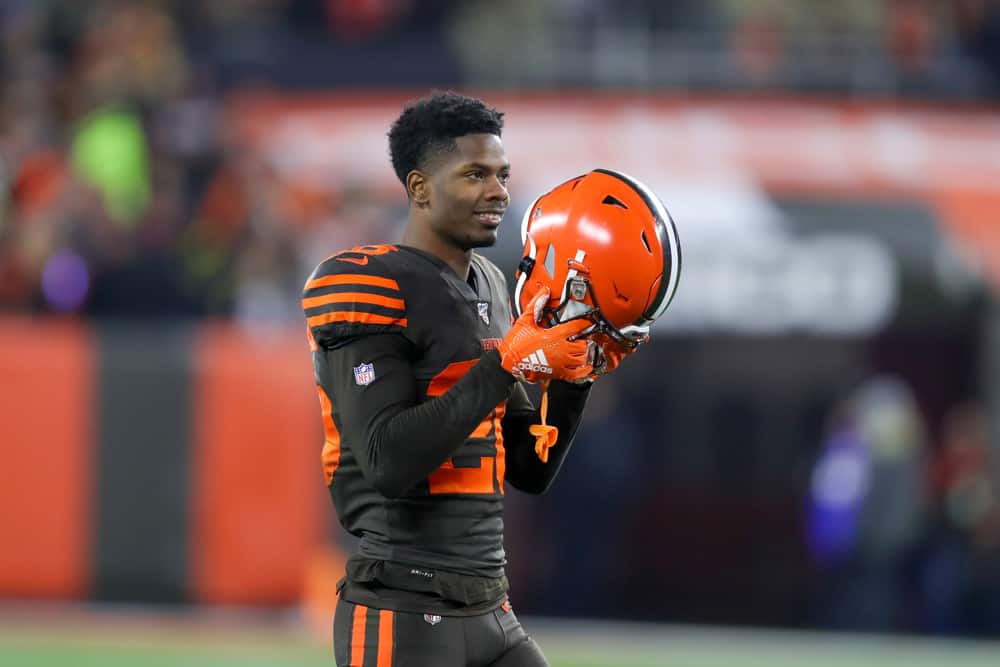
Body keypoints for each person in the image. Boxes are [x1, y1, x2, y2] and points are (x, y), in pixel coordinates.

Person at [301, 91, 631, 667]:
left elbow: (530, 468)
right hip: (402, 609)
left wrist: (576, 373)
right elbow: (387, 461)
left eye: (502, 174)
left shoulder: (492, 286)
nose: (498, 191)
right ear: (420, 186)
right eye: (475, 174)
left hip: (491, 608)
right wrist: (505, 365)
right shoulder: (368, 282)